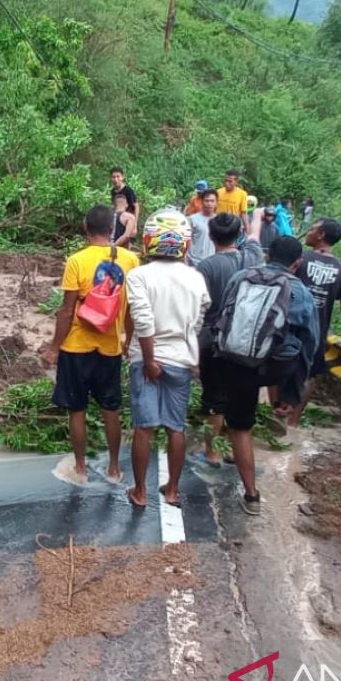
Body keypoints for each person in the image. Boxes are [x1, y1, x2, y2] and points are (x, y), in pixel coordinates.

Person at [215, 236, 318, 515]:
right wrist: (291, 393)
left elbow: (224, 319)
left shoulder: (240, 278)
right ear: (297, 264)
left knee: (240, 426)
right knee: (288, 353)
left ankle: (251, 495)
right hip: (275, 367)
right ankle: (275, 404)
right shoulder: (302, 293)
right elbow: (309, 347)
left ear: (267, 254)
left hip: (237, 364)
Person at [42, 205, 140, 482]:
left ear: (86, 227)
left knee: (78, 410)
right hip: (110, 348)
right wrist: (127, 341)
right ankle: (113, 468)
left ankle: (81, 468)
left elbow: (66, 310)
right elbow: (132, 309)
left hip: (76, 346)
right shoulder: (131, 260)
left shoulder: (76, 261)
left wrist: (53, 348)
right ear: (112, 229)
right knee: (111, 409)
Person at [123, 210, 211, 510]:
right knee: (176, 427)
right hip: (181, 359)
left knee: (144, 428)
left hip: (146, 359)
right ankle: (172, 490)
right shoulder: (195, 278)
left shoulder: (139, 275)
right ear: (185, 243)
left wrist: (148, 360)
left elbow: (142, 320)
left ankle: (140, 491)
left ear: (149, 240)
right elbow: (198, 321)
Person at [192, 211, 266, 468]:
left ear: (211, 236)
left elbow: (199, 310)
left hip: (214, 339)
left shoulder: (207, 267)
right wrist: (255, 216)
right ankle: (237, 450)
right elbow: (255, 234)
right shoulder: (254, 256)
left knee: (214, 397)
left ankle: (211, 452)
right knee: (242, 396)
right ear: (240, 234)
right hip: (249, 339)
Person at [287, 218, 341, 427]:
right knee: (308, 375)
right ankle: (293, 422)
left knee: (279, 365)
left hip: (289, 324)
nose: (308, 231)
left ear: (321, 235)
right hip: (316, 331)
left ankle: (275, 411)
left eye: (313, 229)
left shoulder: (300, 259)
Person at [186, 189, 217, 267]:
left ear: (216, 203)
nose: (209, 203)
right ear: (202, 202)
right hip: (193, 262)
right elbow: (185, 241)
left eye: (212, 201)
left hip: (212, 262)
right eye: (207, 201)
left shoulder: (219, 220)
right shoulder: (192, 219)